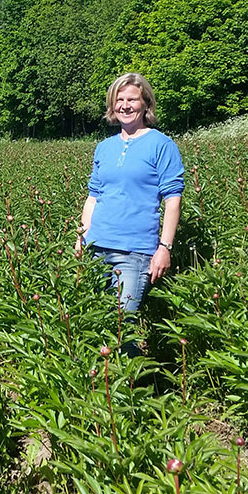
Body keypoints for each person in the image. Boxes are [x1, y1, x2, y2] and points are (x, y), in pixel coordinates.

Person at [76, 72, 184, 315]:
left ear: (146, 103)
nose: (125, 106)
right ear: (112, 105)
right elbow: (93, 196)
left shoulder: (162, 145)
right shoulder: (104, 147)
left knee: (122, 323)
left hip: (134, 252)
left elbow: (173, 200)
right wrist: (81, 238)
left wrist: (164, 247)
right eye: (119, 100)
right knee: (95, 322)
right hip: (96, 247)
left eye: (132, 100)